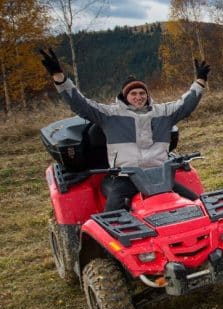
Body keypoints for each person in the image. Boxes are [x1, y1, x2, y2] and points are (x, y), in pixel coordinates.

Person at [38, 47, 209, 212]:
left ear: (147, 95)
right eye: (133, 94)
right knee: (110, 220)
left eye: (142, 93)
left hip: (159, 176)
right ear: (125, 96)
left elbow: (187, 105)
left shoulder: (164, 113)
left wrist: (200, 82)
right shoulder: (110, 115)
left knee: (197, 205)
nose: (138, 97)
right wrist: (59, 78)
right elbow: (80, 104)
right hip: (124, 177)